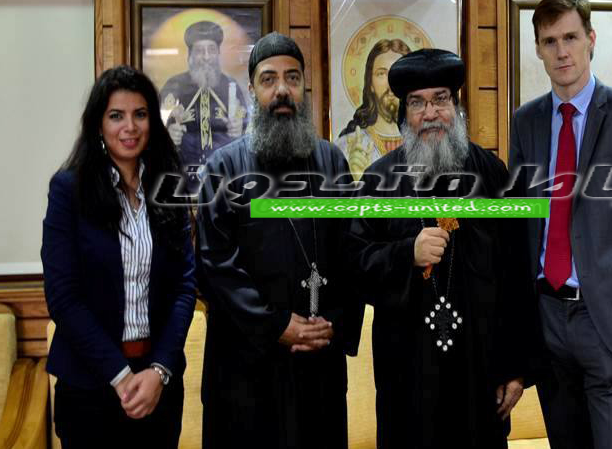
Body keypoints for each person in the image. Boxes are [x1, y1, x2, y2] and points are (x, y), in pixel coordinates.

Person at [347, 49, 540, 449]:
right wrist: (406, 253)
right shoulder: (379, 180)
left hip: (480, 373)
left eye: (440, 99)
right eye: (417, 103)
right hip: (407, 376)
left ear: (457, 106)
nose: (430, 113)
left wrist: (516, 367)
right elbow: (354, 264)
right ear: (404, 115)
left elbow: (517, 276)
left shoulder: (492, 175)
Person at [508, 0, 612, 449]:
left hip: (609, 324)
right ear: (538, 49)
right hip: (547, 319)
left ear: (591, 39)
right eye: (550, 41)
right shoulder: (526, 122)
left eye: (571, 38)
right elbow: (522, 228)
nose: (562, 51)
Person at [196, 32, 363, 449]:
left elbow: (351, 250)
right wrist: (276, 324)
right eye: (268, 79)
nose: (282, 89)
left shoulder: (331, 162)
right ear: (252, 90)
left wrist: (332, 324)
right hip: (247, 368)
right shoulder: (224, 167)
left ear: (305, 87)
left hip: (318, 362)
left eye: (292, 77)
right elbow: (215, 265)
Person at [42, 66, 196, 448]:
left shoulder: (169, 187)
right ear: (98, 124)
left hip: (158, 384)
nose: (130, 127)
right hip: (90, 386)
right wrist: (121, 376)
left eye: (140, 114)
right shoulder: (69, 190)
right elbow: (63, 297)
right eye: (116, 115)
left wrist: (159, 370)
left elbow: (184, 286)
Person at [159, 20, 248, 168]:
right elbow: (156, 128)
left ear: (218, 53)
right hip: (182, 172)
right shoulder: (174, 86)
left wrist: (239, 130)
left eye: (211, 50)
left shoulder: (231, 86)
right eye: (199, 51)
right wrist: (168, 136)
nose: (206, 57)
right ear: (190, 55)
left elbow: (247, 127)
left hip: (224, 172)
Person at [335, 38, 411, 179]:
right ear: (370, 83)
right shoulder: (346, 146)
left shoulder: (426, 144)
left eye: (398, 73)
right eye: (381, 74)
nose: (390, 84)